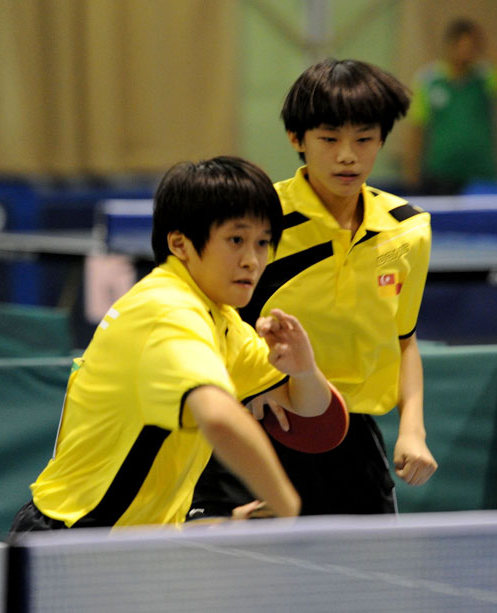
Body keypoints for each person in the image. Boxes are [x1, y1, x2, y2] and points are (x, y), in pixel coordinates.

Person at [8, 156, 342, 534]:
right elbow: (218, 419)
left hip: (133, 543)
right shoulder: (167, 310)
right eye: (236, 240)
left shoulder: (222, 319)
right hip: (73, 540)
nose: (252, 260)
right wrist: (287, 505)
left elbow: (315, 412)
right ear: (180, 243)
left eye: (263, 243)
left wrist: (303, 370)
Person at [188, 59, 437, 521]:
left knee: (366, 586)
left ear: (382, 140)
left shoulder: (408, 229)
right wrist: (244, 390)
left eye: (364, 139)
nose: (348, 155)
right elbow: (205, 323)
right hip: (260, 428)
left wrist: (413, 430)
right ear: (297, 139)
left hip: (354, 442)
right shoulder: (258, 222)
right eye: (329, 139)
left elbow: (404, 340)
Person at [403, 18, 497, 195]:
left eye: (472, 47)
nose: (466, 53)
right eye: (462, 46)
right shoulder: (429, 80)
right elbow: (418, 128)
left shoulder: (485, 77)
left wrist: (490, 45)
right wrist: (411, 170)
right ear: (450, 46)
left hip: (482, 174)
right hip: (441, 173)